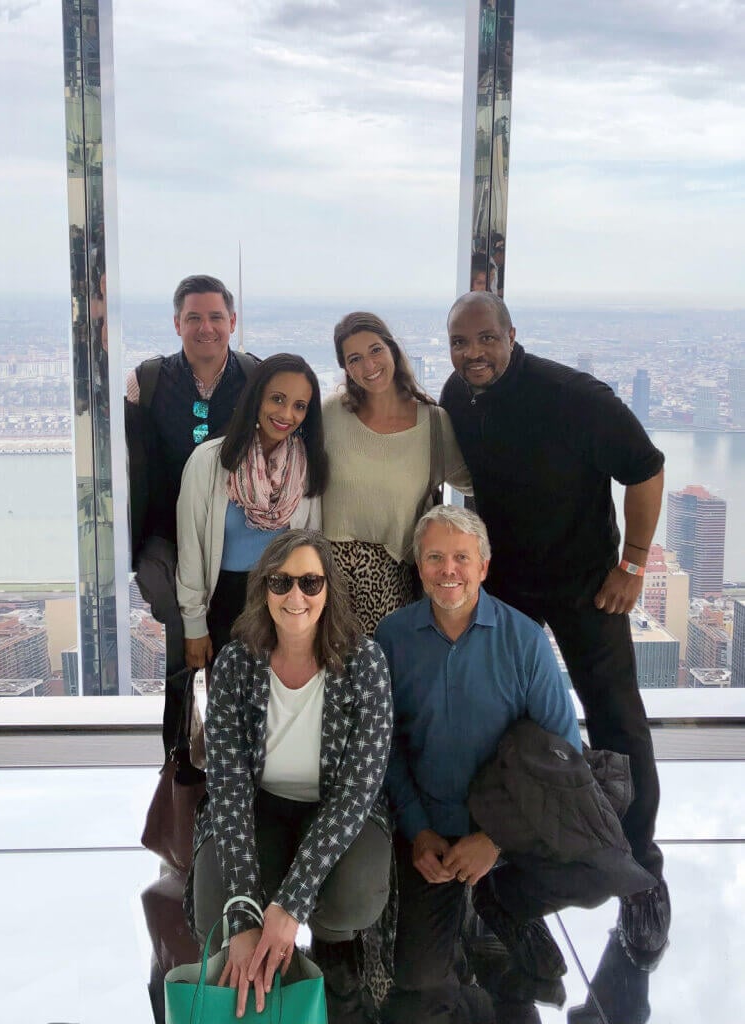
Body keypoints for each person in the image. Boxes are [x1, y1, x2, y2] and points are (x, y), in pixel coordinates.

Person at [439, 290, 670, 967]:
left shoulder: (575, 397)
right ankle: (509, 864)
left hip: (584, 583)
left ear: (512, 334)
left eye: (485, 339)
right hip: (504, 582)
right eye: (460, 343)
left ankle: (644, 878)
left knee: (617, 721)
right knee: (497, 720)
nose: (473, 353)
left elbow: (646, 468)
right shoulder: (458, 395)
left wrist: (632, 564)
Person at [375, 506, 583, 1024]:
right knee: (419, 979)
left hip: (512, 829)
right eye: (436, 557)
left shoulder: (524, 641)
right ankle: (473, 922)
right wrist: (419, 832)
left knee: (584, 874)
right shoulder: (391, 639)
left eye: (462, 558)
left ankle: (508, 909)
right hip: (435, 837)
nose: (449, 570)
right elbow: (386, 748)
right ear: (419, 567)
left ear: (484, 567)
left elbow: (565, 753)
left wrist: (495, 840)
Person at [189, 530, 393, 1024]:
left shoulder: (364, 663)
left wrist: (290, 904)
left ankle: (335, 948)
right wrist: (243, 916)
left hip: (338, 811)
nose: (295, 596)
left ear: (329, 590)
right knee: (216, 908)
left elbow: (356, 793)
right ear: (263, 589)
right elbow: (229, 791)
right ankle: (255, 970)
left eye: (310, 582)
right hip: (260, 807)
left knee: (351, 899)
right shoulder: (237, 664)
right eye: (281, 582)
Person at [126, 274, 254, 693]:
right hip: (165, 534)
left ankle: (223, 742)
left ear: (232, 322)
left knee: (230, 639)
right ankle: (179, 749)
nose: (206, 327)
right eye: (193, 317)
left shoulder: (255, 378)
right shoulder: (147, 381)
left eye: (216, 317)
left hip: (228, 533)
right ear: (177, 323)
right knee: (177, 625)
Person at [322, 310, 471, 635]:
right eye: (354, 358)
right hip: (325, 577)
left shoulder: (433, 423)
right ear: (345, 368)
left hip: (392, 579)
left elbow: (475, 482)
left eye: (375, 350)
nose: (369, 365)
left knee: (384, 681)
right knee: (327, 681)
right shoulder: (331, 413)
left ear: (392, 349)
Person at [176, 354, 327, 671]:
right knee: (232, 713)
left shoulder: (307, 468)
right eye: (278, 399)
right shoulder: (208, 462)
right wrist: (193, 627)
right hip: (224, 607)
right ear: (256, 397)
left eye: (300, 406)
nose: (287, 413)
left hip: (287, 603)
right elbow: (191, 549)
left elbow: (312, 551)